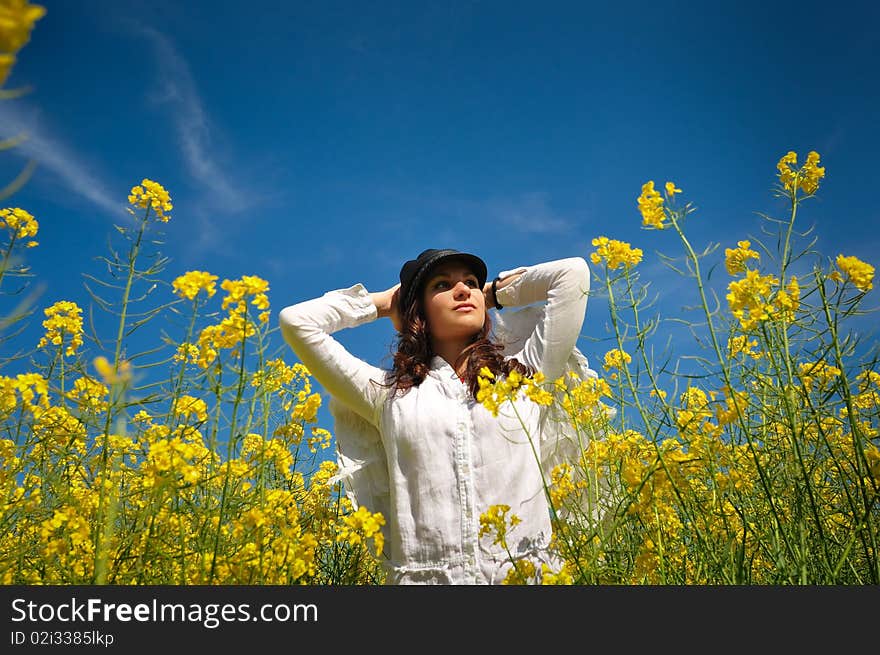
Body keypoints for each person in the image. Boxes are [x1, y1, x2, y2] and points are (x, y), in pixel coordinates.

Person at [278, 248, 592, 584]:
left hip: (528, 577)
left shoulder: (525, 377)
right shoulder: (387, 395)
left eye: (470, 282)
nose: (463, 290)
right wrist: (386, 304)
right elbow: (298, 322)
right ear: (418, 311)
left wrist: (493, 293)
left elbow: (572, 275)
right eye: (442, 285)